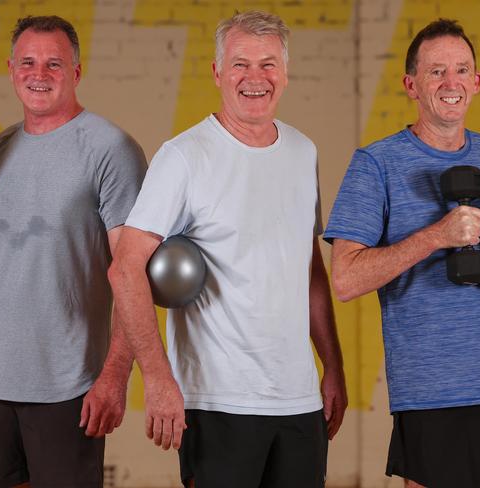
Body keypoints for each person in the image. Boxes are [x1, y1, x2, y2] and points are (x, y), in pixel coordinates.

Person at [109, 10, 347, 488]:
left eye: (268, 64)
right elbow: (125, 269)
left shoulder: (303, 152)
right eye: (240, 64)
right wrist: (157, 379)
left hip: (298, 401)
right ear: (218, 73)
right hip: (217, 403)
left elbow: (310, 271)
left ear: (285, 72)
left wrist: (332, 366)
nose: (254, 78)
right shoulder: (184, 156)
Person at [324, 18, 480, 488]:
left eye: (462, 70)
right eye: (436, 72)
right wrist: (434, 236)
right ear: (411, 85)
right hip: (433, 395)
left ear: (477, 82)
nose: (451, 83)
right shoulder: (376, 164)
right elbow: (344, 280)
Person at [0, 15, 146, 488]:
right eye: (27, 62)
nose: (39, 74)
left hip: (68, 383)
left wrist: (114, 377)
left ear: (76, 72)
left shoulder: (111, 149)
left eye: (54, 63)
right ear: (10, 69)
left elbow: (135, 276)